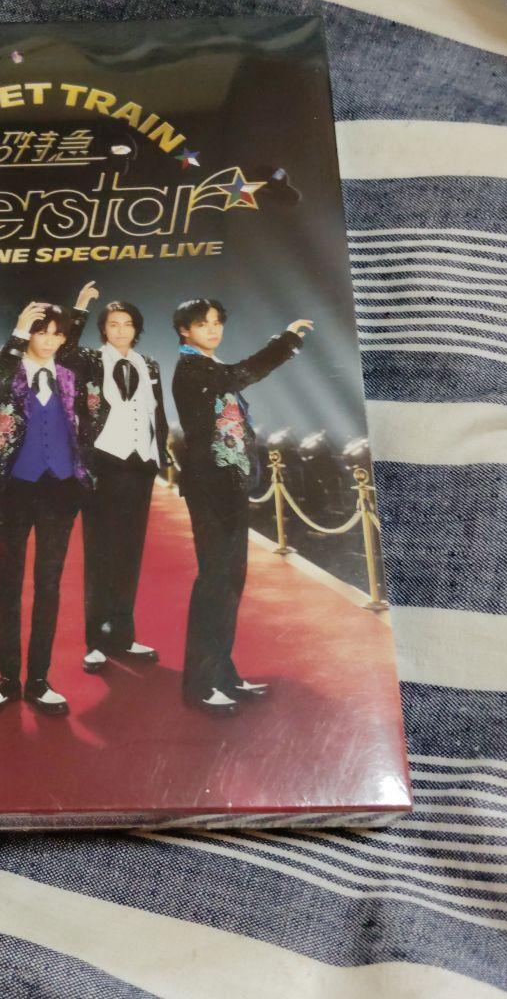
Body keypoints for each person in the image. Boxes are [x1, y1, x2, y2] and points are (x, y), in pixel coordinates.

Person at [171, 298, 313, 716]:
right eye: (203, 324)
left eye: (217, 322)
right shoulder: (192, 368)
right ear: (184, 331)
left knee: (230, 581)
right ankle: (201, 685)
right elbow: (243, 374)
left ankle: (223, 674)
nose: (213, 330)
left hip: (228, 485)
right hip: (210, 487)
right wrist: (284, 342)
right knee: (215, 581)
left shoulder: (209, 365)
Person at [0, 300, 96, 715]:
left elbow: (88, 423)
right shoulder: (4, 371)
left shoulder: (71, 376)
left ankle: (39, 679)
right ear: (27, 334)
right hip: (13, 491)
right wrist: (17, 334)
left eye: (57, 333)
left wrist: (83, 471)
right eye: (41, 331)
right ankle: (7, 679)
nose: (50, 340)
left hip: (60, 489)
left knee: (49, 585)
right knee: (8, 585)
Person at [62, 282, 170, 672]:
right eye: (113, 324)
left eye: (127, 324)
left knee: (130, 552)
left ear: (136, 329)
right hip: (103, 463)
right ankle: (95, 640)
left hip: (141, 464)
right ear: (103, 329)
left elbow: (157, 413)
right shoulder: (91, 359)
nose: (120, 330)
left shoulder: (150, 364)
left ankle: (123, 636)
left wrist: (160, 455)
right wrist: (79, 307)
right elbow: (65, 351)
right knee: (100, 553)